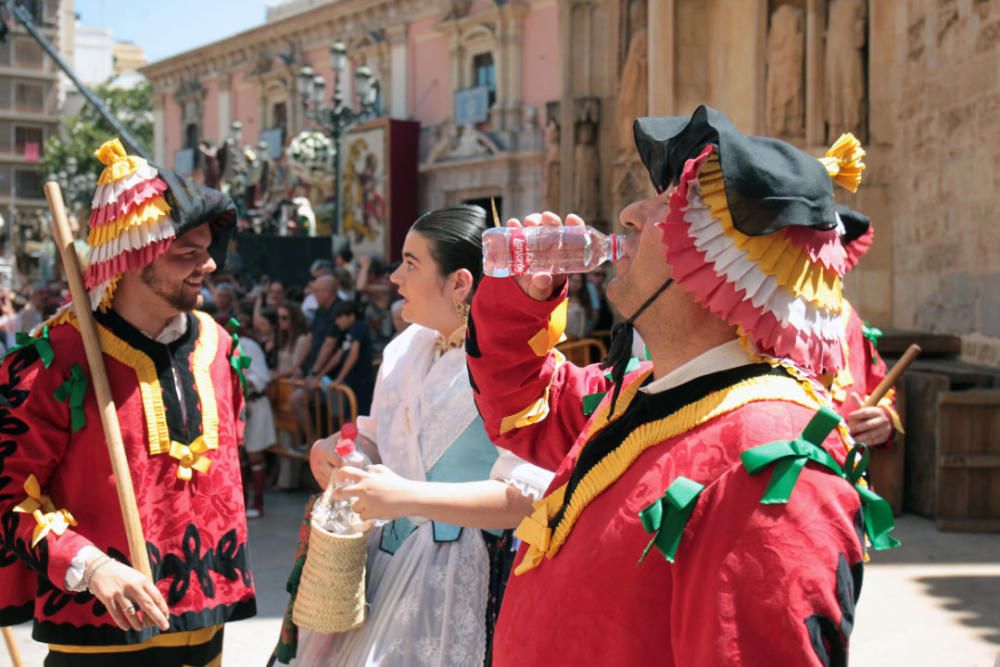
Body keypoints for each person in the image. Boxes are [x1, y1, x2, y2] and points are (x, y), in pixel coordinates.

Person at [465, 106, 898, 665]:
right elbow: (521, 405)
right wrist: (522, 298)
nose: (627, 215)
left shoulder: (770, 468)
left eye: (666, 205)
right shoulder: (640, 390)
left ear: (716, 263)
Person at [0, 138, 255, 665]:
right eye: (188, 251)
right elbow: (6, 496)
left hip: (206, 624)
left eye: (208, 250)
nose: (207, 265)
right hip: (100, 637)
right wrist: (90, 565)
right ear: (135, 255)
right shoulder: (56, 357)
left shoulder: (219, 345)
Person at [277, 206, 554, 666]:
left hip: (469, 573)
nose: (394, 278)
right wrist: (336, 452)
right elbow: (376, 438)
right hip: (386, 561)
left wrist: (405, 496)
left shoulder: (514, 366)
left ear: (460, 283)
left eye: (411, 263)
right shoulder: (404, 348)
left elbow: (528, 499)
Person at [829, 206, 901, 447]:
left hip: (849, 467)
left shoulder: (850, 319)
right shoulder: (762, 322)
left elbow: (879, 385)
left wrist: (883, 419)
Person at [313, 300, 374, 415]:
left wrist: (339, 379)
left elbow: (353, 354)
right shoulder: (348, 332)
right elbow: (338, 356)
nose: (337, 322)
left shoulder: (359, 327)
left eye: (339, 318)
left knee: (360, 415)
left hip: (362, 380)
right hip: (352, 380)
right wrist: (320, 375)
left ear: (351, 316)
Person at [564, 273, 594, 338]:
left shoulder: (585, 300)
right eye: (573, 280)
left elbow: (587, 321)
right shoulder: (562, 297)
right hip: (562, 338)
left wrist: (581, 336)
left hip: (578, 339)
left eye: (578, 281)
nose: (575, 284)